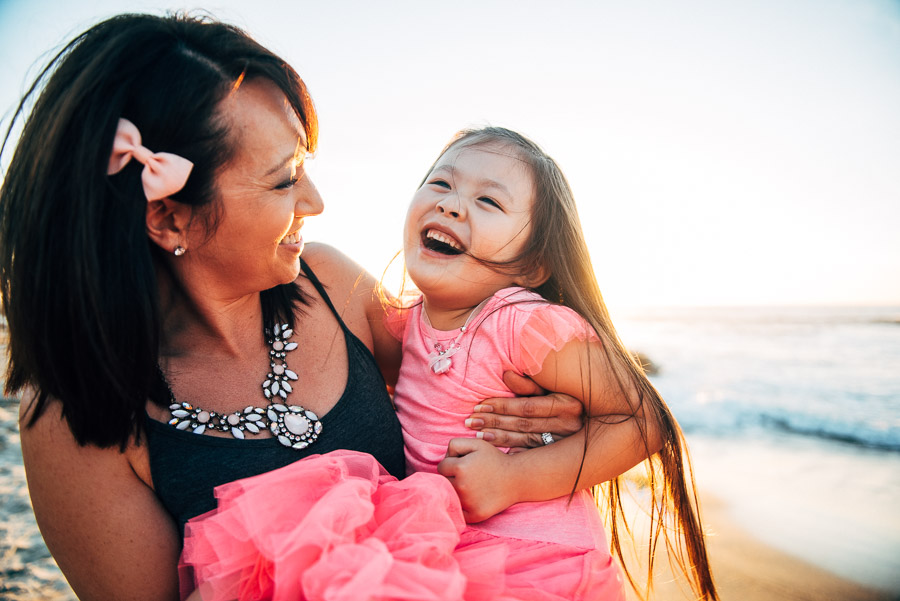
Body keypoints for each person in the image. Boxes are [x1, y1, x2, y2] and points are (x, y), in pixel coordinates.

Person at [0, 14, 599, 601]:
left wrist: (550, 409)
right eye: (285, 180)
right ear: (168, 217)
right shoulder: (71, 418)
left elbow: (451, 377)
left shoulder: (333, 282)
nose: (314, 200)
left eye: (305, 167)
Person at [178, 128, 718, 600]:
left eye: (489, 201)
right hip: (438, 547)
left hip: (533, 559)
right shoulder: (407, 323)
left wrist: (513, 476)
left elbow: (643, 420)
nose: (452, 205)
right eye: (441, 183)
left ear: (532, 264)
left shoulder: (519, 321)